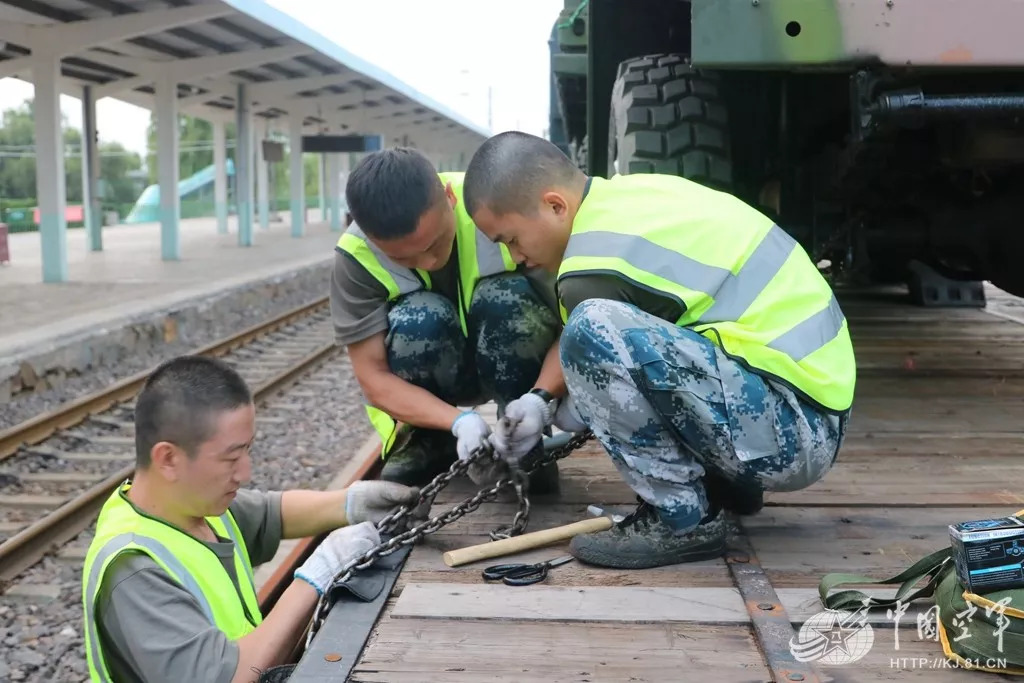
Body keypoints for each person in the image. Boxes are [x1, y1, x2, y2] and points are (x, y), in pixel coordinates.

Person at [461, 131, 857, 570]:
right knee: (601, 331)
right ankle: (727, 482)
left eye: (511, 238)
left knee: (592, 328)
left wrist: (574, 406)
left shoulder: (589, 270)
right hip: (810, 409)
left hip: (793, 434)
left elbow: (589, 335)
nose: (514, 256)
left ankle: (682, 519)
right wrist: (541, 398)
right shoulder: (626, 199)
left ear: (555, 206)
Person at [81, 355, 425, 683]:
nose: (245, 472)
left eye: (247, 450)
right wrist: (316, 576)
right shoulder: (134, 570)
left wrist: (351, 503)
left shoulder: (189, 507)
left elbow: (271, 512)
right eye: (231, 458)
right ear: (168, 458)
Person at [332, 147, 565, 489]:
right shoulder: (356, 257)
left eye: (435, 243)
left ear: (450, 197)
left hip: (510, 362)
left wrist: (539, 399)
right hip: (436, 381)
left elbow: (572, 323)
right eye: (403, 258)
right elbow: (373, 378)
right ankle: (427, 441)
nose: (427, 262)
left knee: (507, 297)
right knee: (419, 318)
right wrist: (458, 422)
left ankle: (521, 438)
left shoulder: (496, 209)